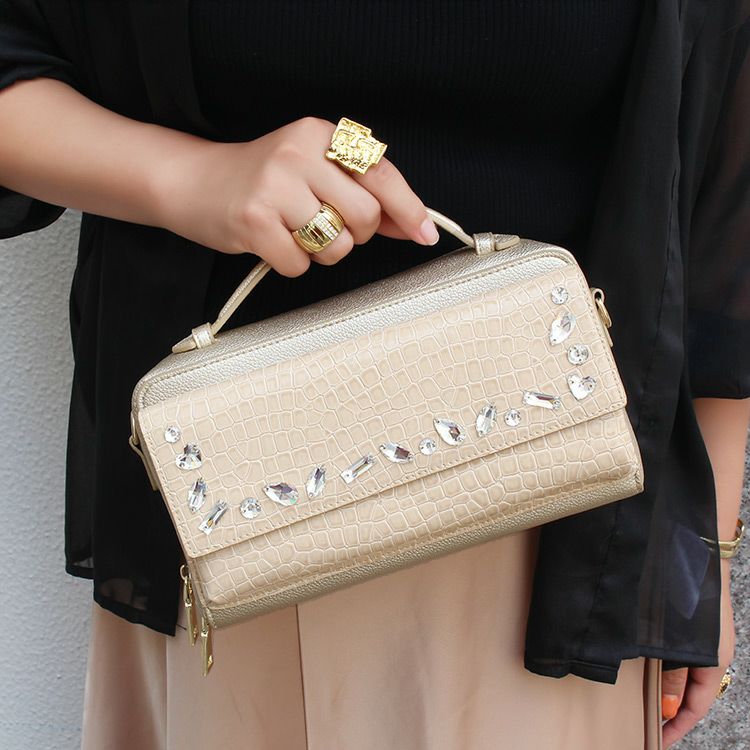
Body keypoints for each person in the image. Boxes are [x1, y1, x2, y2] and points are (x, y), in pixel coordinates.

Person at [1, 1, 748, 748]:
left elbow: (719, 170)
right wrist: (192, 178)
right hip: (231, 513)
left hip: (560, 518)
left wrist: (699, 555)